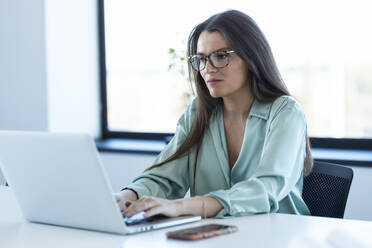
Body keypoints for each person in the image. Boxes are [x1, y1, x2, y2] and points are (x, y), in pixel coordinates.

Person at [114, 9, 313, 219]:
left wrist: (183, 206)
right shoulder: (198, 113)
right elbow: (165, 177)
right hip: (217, 236)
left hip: (278, 237)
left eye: (220, 56)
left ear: (251, 57)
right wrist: (125, 197)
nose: (207, 68)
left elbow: (266, 189)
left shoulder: (285, 112)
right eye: (201, 59)